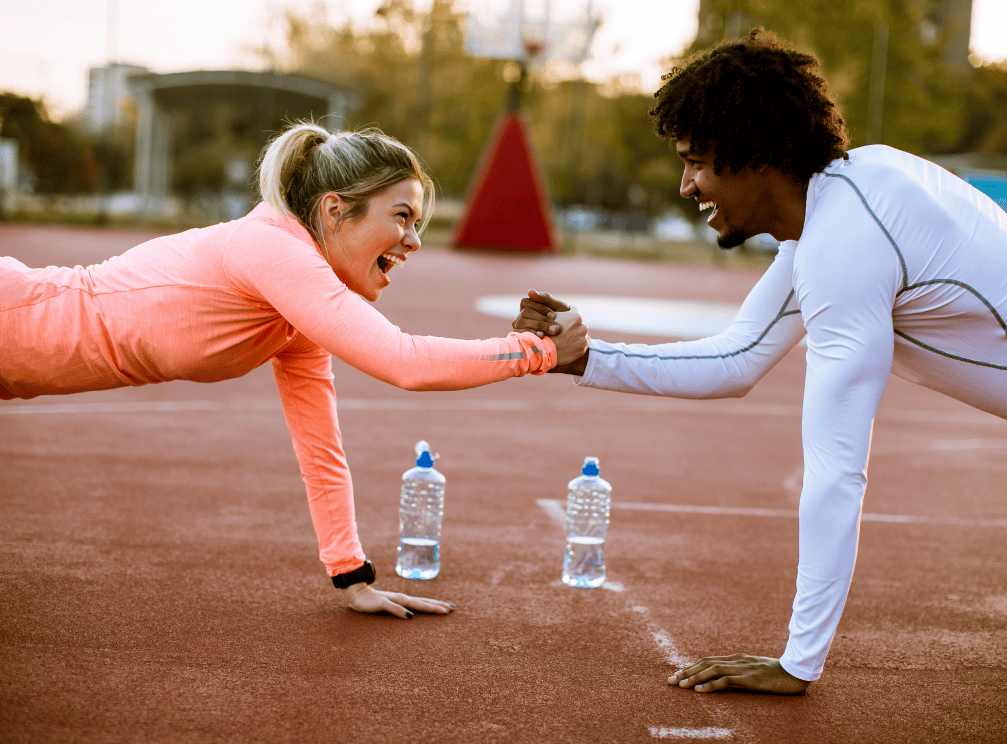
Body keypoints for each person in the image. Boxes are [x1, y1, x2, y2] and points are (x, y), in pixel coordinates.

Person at [514, 29, 1007, 695]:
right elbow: (737, 358)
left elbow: (836, 470)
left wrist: (798, 661)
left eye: (697, 162)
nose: (686, 186)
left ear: (756, 154)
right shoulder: (853, 195)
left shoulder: (844, 241)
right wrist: (585, 359)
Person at [1, 121, 589, 620]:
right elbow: (403, 361)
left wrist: (351, 576)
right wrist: (537, 353)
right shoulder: (272, 249)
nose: (413, 240)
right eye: (402, 217)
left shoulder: (295, 306)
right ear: (334, 210)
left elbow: (320, 447)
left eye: (418, 223)